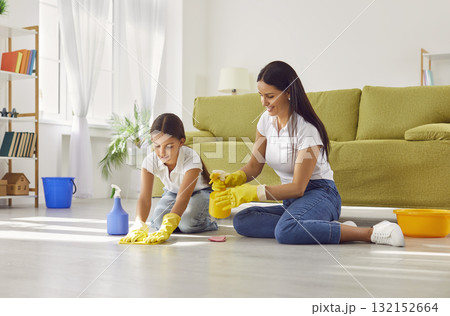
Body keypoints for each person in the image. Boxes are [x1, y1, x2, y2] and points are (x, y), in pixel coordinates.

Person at [212, 61, 404, 247]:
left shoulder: (307, 130)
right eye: (261, 95)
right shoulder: (265, 122)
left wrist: (252, 192)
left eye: (270, 96)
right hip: (292, 201)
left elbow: (298, 188)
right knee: (243, 221)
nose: (264, 102)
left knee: (286, 231)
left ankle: (371, 233)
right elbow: (254, 166)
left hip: (320, 194)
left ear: (288, 92)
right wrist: (233, 178)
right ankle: (326, 229)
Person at [120, 113, 218, 244]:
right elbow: (144, 197)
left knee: (187, 225)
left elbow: (183, 197)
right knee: (159, 222)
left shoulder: (191, 158)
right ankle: (178, 220)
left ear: (181, 142)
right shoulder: (150, 161)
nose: (161, 152)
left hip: (200, 193)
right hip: (172, 193)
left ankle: (209, 221)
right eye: (157, 146)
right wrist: (139, 222)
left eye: (169, 146)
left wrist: (172, 221)